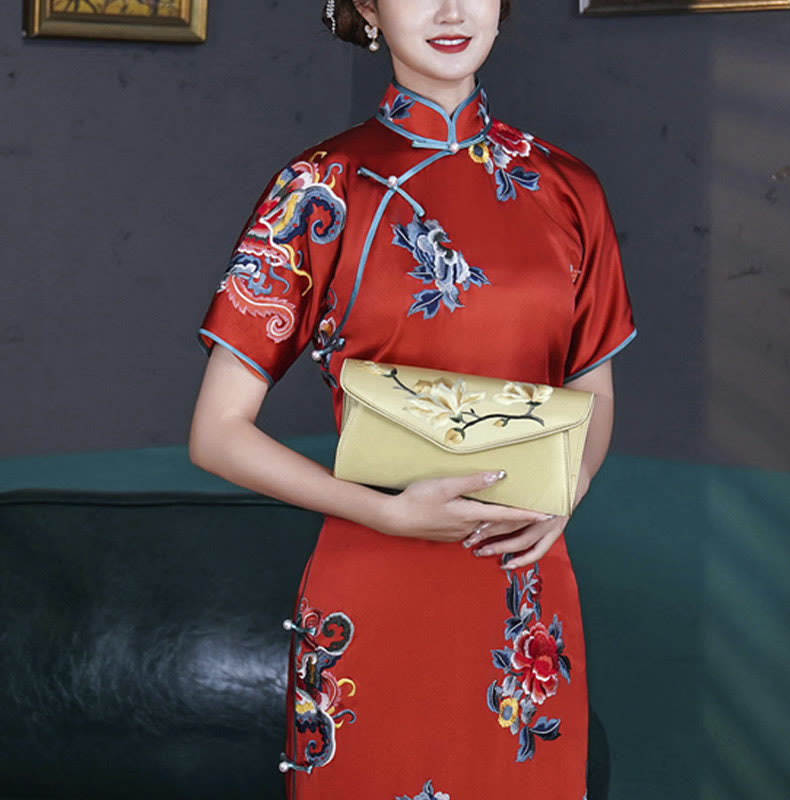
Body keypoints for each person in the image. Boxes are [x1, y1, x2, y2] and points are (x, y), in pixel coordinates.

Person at [190, 1, 636, 797]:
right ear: (367, 7)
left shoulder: (570, 189)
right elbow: (217, 433)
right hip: (373, 588)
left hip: (522, 592)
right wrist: (387, 514)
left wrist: (570, 490)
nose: (451, 10)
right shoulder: (320, 187)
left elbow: (589, 389)